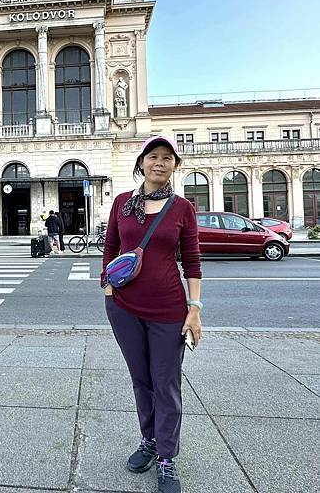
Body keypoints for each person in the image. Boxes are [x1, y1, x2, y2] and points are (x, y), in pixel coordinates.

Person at [100, 134, 202, 493]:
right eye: (153, 156)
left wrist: (194, 309)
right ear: (141, 162)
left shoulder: (182, 208)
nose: (159, 162)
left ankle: (167, 457)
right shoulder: (121, 203)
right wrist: (107, 286)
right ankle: (149, 441)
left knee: (166, 383)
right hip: (124, 308)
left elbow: (192, 262)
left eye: (167, 158)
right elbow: (111, 246)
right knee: (141, 381)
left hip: (168, 310)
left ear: (175, 166)